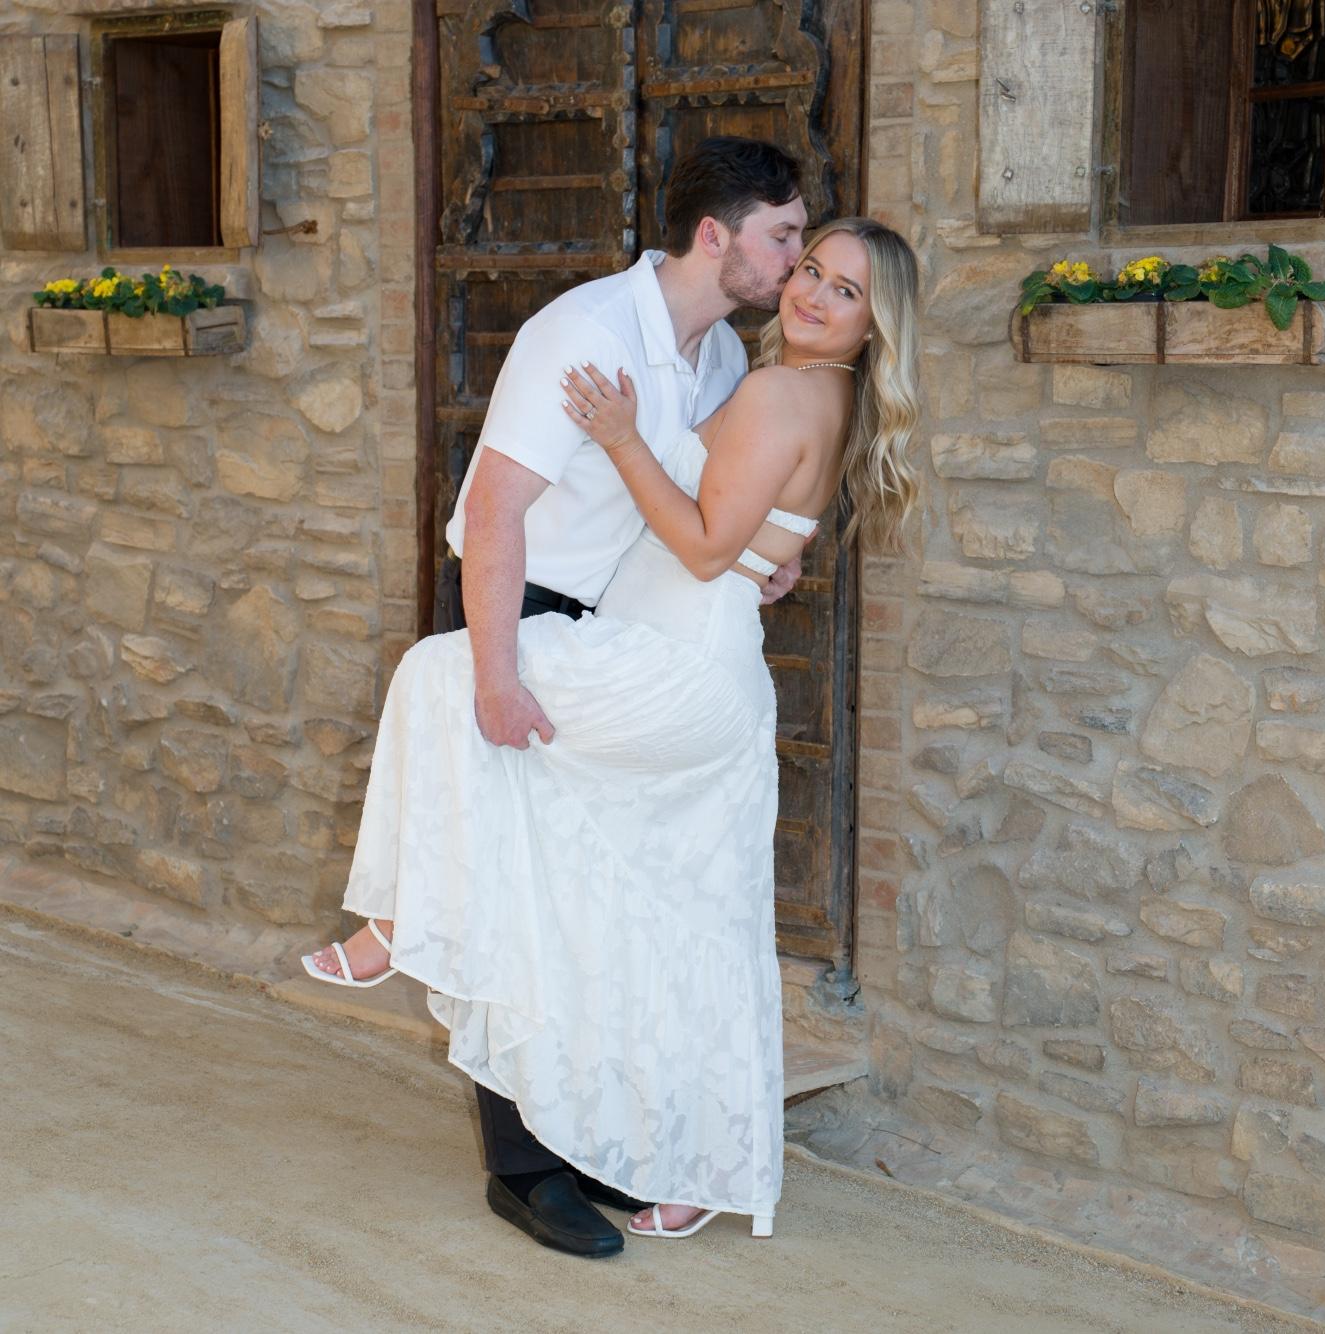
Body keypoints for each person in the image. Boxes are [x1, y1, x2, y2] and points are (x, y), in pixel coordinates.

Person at [301, 214, 921, 1252]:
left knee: (445, 676)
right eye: (809, 265)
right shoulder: (795, 385)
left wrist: (626, 439)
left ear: (874, 324)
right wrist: (766, 553)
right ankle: (680, 1167)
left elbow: (702, 543)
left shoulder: (776, 389)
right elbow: (743, 530)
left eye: (842, 289)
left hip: (668, 661)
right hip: (703, 666)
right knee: (667, 926)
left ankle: (404, 922)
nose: (810, 291)